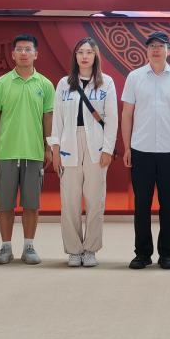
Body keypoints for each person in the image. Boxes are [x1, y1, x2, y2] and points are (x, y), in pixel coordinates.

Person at [120, 31, 170, 270]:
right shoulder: (135, 77)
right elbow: (127, 114)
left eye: (161, 46)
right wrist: (127, 147)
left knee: (169, 205)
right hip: (141, 149)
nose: (156, 49)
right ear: (146, 50)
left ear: (169, 50)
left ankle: (166, 253)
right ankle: (142, 253)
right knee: (142, 205)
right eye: (152, 46)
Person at [0, 33, 55, 265]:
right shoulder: (1, 84)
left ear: (36, 54)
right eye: (19, 49)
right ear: (13, 54)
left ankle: (29, 247)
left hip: (34, 153)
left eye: (28, 49)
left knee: (31, 204)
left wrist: (48, 147)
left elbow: (48, 118)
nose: (24, 53)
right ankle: (5, 248)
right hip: (6, 152)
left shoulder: (45, 84)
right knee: (5, 204)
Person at [49, 38, 118, 267]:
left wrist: (108, 149)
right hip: (69, 144)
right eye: (80, 52)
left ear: (96, 55)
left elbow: (112, 119)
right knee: (69, 201)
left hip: (96, 145)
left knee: (95, 200)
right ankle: (74, 250)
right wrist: (55, 149)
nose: (85, 56)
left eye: (89, 52)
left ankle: (90, 249)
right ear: (75, 56)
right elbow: (57, 119)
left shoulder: (106, 82)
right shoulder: (64, 83)